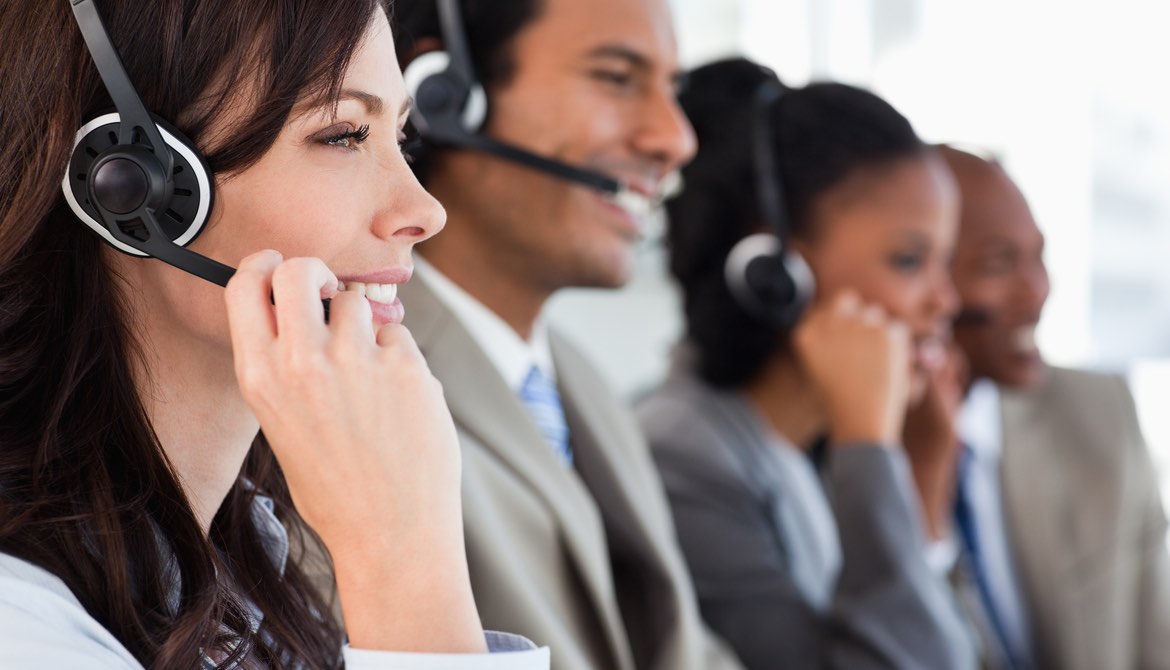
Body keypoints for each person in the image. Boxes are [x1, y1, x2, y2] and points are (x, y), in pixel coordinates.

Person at [0, 1, 548, 667]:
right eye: (344, 134)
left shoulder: (251, 563)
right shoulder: (23, 628)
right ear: (131, 188)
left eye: (400, 138)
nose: (423, 211)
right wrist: (400, 559)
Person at [371, 1, 743, 669]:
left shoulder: (580, 383)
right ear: (442, 90)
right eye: (616, 77)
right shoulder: (345, 384)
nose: (676, 138)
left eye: (672, 90)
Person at [636, 58, 977, 669]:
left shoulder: (804, 446)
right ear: (774, 270)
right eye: (908, 261)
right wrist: (868, 446)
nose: (943, 301)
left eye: (944, 261)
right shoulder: (684, 460)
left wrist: (918, 488)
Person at [941, 145, 1170, 670]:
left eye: (1038, 258)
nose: (1037, 291)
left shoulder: (1097, 415)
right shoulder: (852, 459)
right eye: (998, 263)